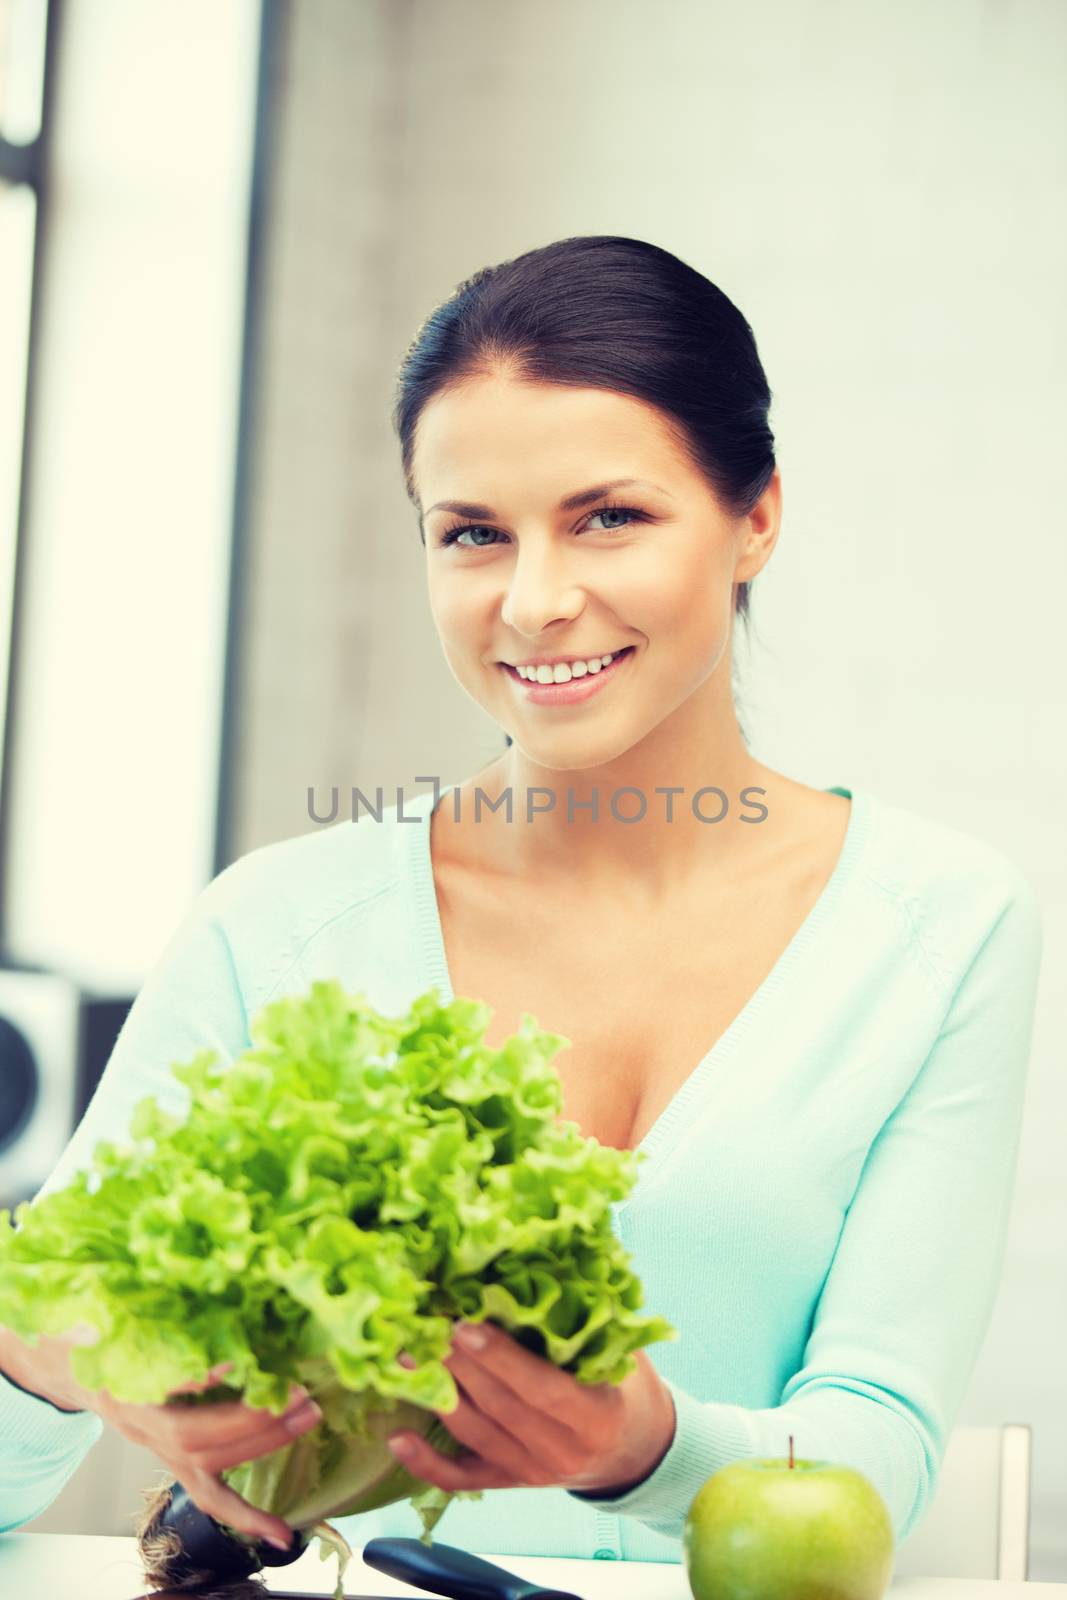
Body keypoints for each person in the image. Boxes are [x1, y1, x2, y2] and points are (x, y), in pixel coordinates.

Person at [0, 236, 1043, 1565]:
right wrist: (54, 1354)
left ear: (757, 518)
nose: (537, 600)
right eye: (474, 534)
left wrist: (642, 1449)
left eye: (610, 515)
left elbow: (874, 1454)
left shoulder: (943, 925)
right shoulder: (274, 926)